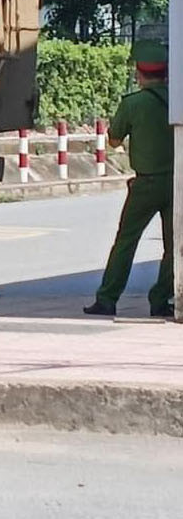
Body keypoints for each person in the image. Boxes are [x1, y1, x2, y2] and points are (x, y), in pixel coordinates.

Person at [85, 40, 175, 318]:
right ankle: (161, 299)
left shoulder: (133, 104)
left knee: (126, 241)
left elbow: (113, 140)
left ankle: (107, 298)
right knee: (174, 246)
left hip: (145, 183)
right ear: (166, 73)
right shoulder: (177, 101)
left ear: (139, 73)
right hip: (177, 184)